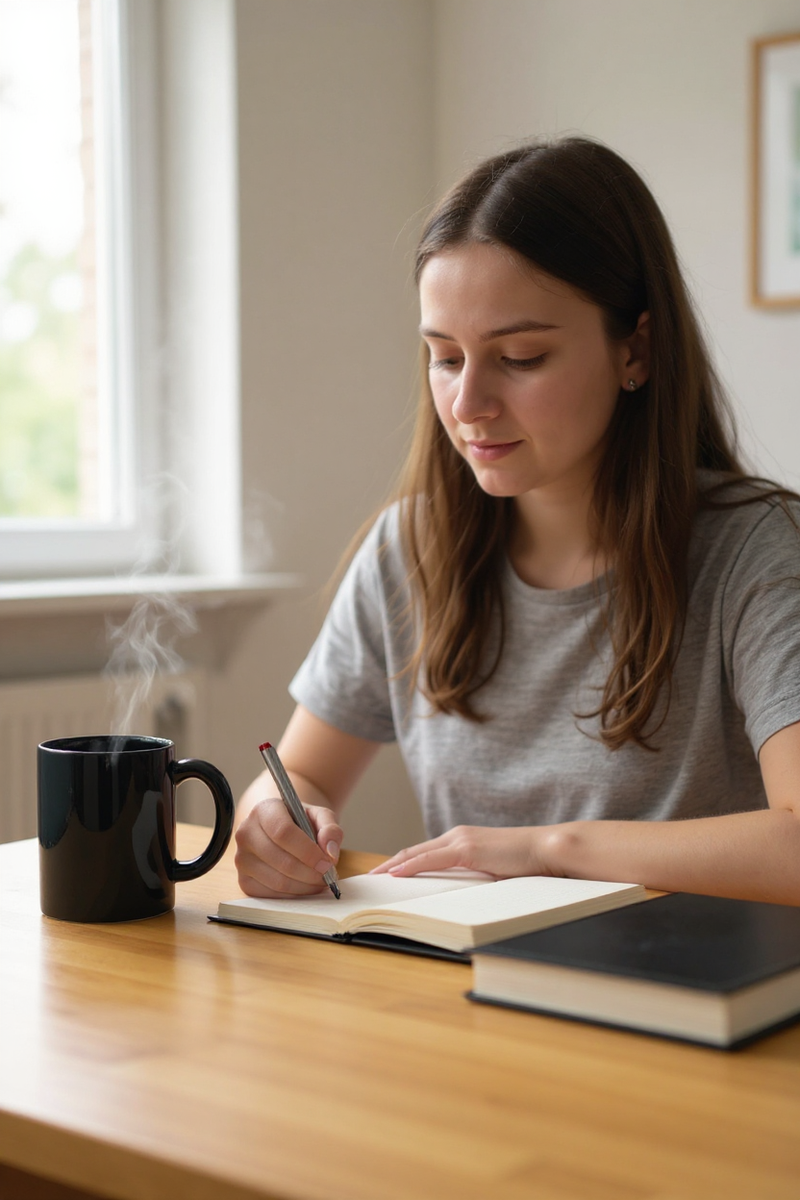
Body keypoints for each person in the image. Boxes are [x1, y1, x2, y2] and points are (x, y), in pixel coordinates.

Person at [235, 136, 800, 905]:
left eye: (522, 357)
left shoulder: (758, 552)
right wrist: (274, 823)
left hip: (687, 976)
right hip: (470, 977)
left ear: (636, 350)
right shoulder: (410, 550)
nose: (468, 405)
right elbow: (299, 773)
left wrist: (548, 849)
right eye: (445, 357)